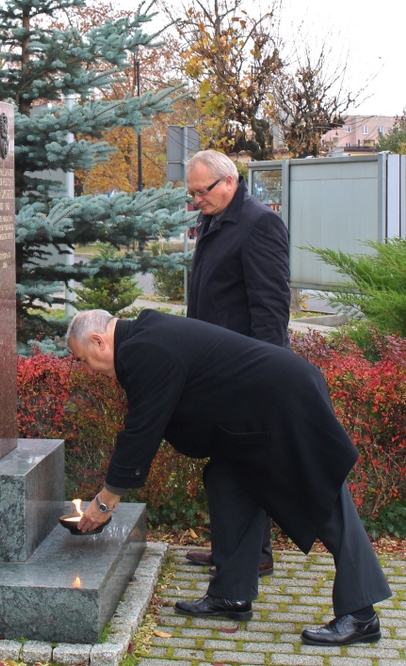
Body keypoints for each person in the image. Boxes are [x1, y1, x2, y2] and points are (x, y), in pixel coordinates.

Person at [67, 308, 391, 647]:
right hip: (252, 419)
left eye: (84, 360)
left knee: (327, 502)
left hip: (286, 403)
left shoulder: (144, 347)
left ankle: (361, 615)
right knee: (228, 479)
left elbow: (142, 429)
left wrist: (106, 501)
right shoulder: (143, 337)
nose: (89, 370)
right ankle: (232, 594)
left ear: (99, 340)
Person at [185, 150, 291, 577]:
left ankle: (255, 554)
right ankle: (231, 547)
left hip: (246, 367)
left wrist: (264, 370)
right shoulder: (216, 218)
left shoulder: (259, 223)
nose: (197, 201)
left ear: (229, 181)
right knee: (226, 461)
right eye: (191, 194)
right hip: (216, 366)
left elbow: (270, 307)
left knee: (247, 461)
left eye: (202, 191)